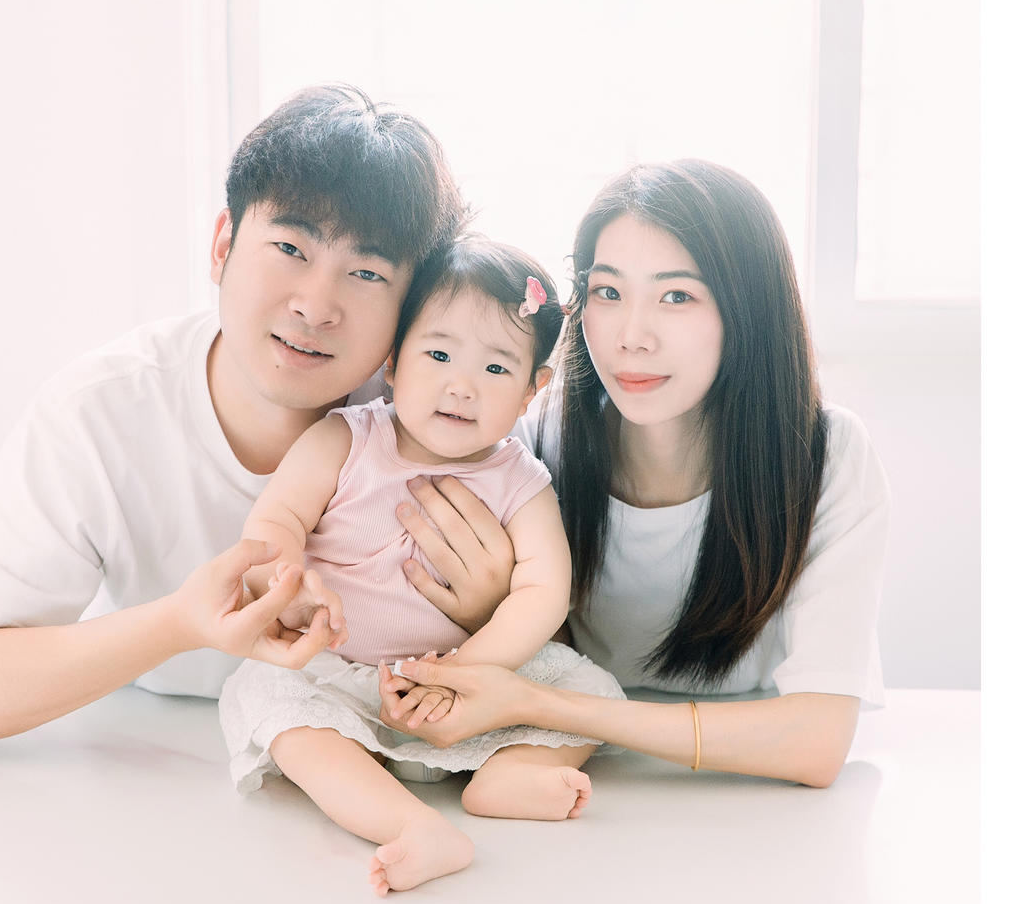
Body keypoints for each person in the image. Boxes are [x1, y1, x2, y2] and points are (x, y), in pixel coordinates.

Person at [0, 85, 516, 752]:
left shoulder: (450, 419)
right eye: (291, 249)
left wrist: (490, 616)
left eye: (366, 274)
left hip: (363, 763)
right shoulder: (97, 413)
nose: (316, 307)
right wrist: (180, 624)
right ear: (223, 245)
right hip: (145, 756)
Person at [377, 159, 892, 790]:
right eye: (608, 292)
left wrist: (543, 704)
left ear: (748, 309)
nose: (631, 337)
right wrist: (499, 615)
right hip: (577, 778)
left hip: (749, 795)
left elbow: (815, 743)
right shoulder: (534, 440)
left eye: (676, 296)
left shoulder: (825, 455)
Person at [219, 239, 624, 897]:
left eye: (496, 368)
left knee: (590, 689)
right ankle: (410, 824)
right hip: (339, 672)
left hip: (474, 682)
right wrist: (289, 588)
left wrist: (465, 673)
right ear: (391, 361)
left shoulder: (522, 481)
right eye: (438, 356)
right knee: (268, 696)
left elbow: (544, 591)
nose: (462, 386)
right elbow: (275, 524)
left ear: (532, 390)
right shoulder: (345, 439)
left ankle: (506, 778)